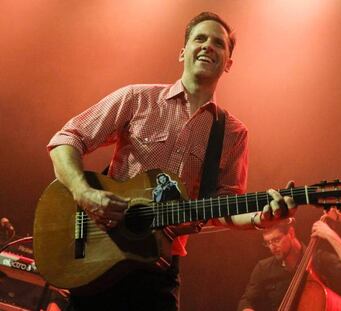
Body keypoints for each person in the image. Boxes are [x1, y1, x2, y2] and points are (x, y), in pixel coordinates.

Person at [47, 11, 295, 311]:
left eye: (218, 43)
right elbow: (67, 139)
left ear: (228, 63)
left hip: (157, 269)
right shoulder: (137, 98)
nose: (207, 46)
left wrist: (260, 218)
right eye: (199, 38)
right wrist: (84, 193)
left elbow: (226, 204)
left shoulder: (232, 133)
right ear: (183, 51)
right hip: (99, 252)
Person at [238, 217, 341, 311]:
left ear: (291, 233)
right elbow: (247, 301)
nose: (272, 247)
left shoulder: (318, 259)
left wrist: (330, 235)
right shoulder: (264, 268)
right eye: (268, 243)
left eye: (276, 240)